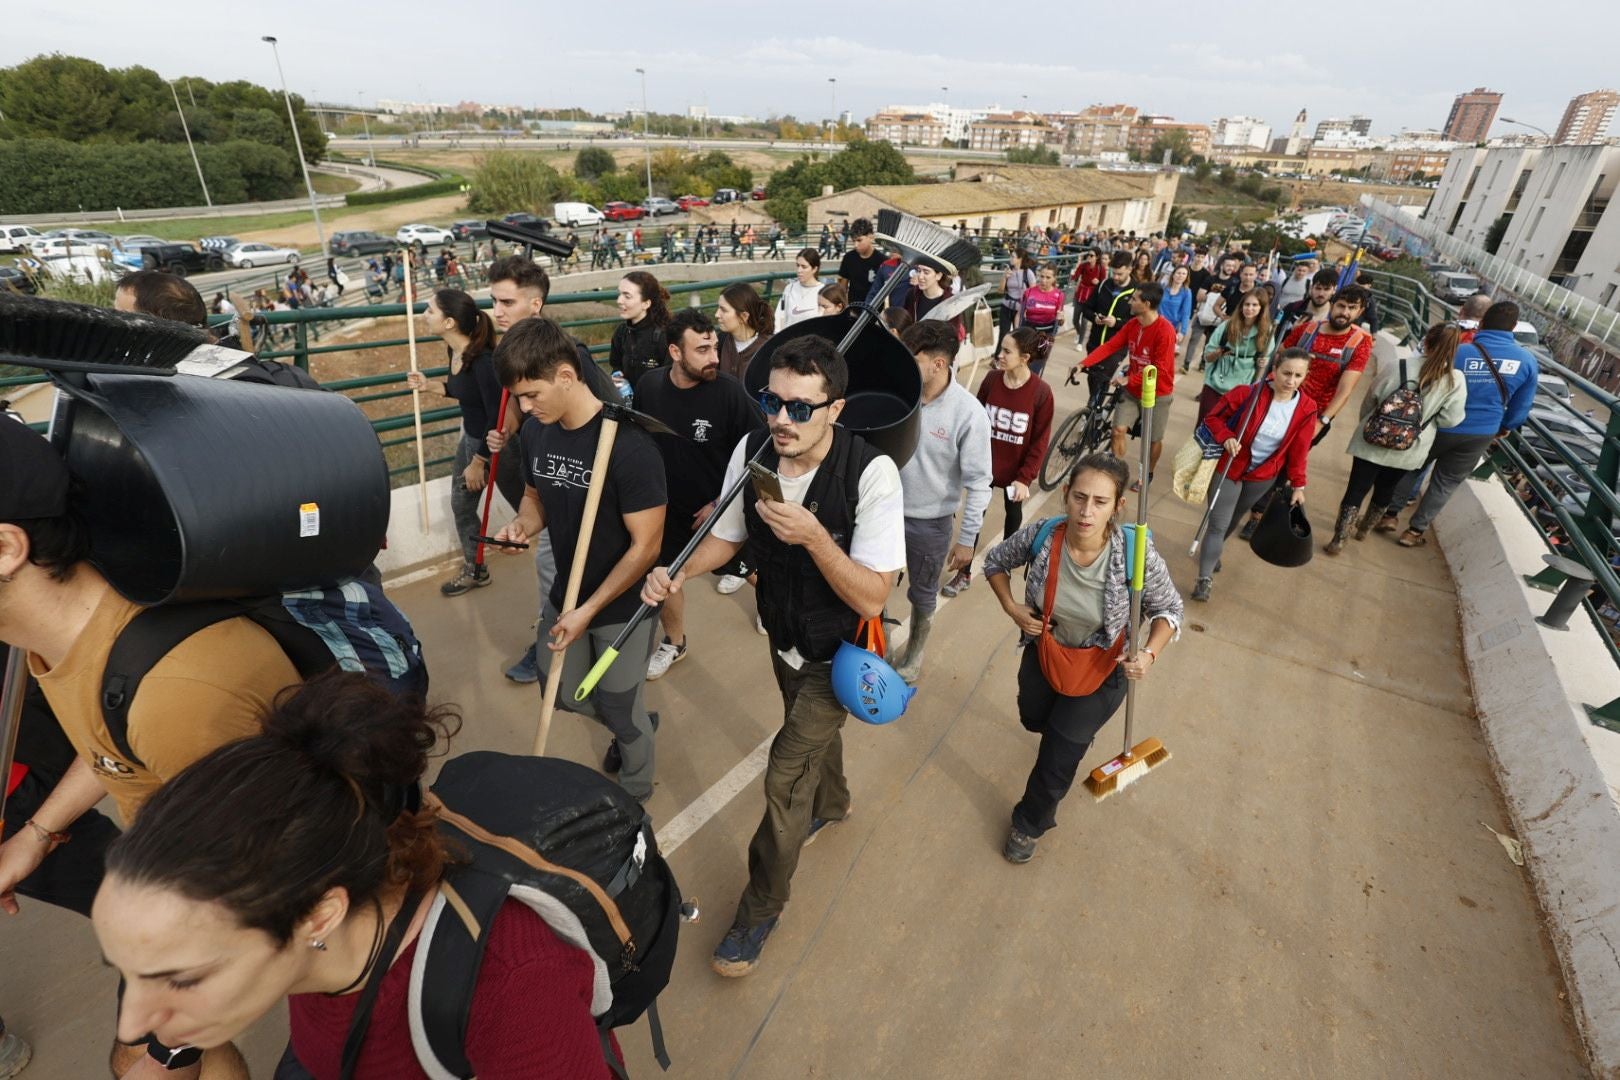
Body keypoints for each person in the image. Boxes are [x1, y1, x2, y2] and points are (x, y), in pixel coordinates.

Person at [92, 671, 625, 1079]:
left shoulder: (512, 986)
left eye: (185, 972)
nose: (133, 1025)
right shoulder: (307, 901)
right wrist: (171, 1050)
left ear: (319, 917)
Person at [0, 421, 298, 1080]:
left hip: (287, 932)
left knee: (138, 1058)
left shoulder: (178, 685)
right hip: (192, 880)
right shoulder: (59, 642)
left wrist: (170, 1046)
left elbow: (276, 886)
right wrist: (38, 833)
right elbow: (120, 745)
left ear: (5, 548)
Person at [639, 336, 904, 977]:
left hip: (840, 651)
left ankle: (759, 910)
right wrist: (675, 572)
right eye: (773, 402)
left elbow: (873, 597)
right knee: (811, 742)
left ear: (835, 410)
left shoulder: (872, 474)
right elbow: (726, 538)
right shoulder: (752, 451)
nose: (782, 419)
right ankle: (834, 802)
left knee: (786, 774)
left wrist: (815, 537)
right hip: (782, 638)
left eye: (801, 408)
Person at [492, 318, 666, 801]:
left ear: (566, 376)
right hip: (564, 594)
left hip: (621, 608)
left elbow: (646, 547)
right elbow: (535, 498)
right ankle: (632, 722)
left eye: (531, 395)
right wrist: (522, 526)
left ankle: (635, 789)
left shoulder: (631, 447)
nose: (524, 408)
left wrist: (588, 611)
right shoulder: (537, 434)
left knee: (618, 703)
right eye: (518, 399)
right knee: (562, 692)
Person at [982, 452, 1182, 864]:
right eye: (1079, 497)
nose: (1086, 511)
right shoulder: (1043, 536)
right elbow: (996, 561)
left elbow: (1169, 611)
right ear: (1066, 495)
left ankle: (1029, 823)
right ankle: (1062, 731)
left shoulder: (1134, 553)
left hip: (1105, 668)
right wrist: (1012, 607)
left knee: (1058, 755)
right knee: (1033, 718)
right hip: (1046, 653)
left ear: (1118, 506)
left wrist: (1147, 654)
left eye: (1100, 502)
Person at [485, 258, 619, 687]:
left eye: (508, 301)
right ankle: (555, 641)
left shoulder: (571, 357)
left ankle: (571, 647)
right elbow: (520, 419)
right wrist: (505, 433)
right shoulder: (512, 354)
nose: (498, 311)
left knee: (568, 572)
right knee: (551, 570)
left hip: (584, 491)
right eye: (493, 301)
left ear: (536, 304)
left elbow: (609, 417)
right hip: (547, 485)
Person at [633, 308, 765, 680]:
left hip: (721, 514)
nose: (713, 358)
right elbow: (640, 441)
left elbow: (759, 452)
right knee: (668, 574)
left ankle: (770, 608)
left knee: (750, 570)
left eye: (715, 347)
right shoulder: (648, 386)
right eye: (702, 350)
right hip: (667, 509)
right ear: (675, 353)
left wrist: (721, 503)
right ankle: (674, 642)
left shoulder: (729, 393)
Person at [1380, 301, 1538, 545]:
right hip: (1481, 432)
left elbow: (1429, 385)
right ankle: (1414, 532)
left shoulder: (1458, 352)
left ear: (1482, 323)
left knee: (1413, 467)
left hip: (1440, 424)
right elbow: (1521, 408)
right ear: (1514, 327)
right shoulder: (1527, 362)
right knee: (1446, 482)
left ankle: (1389, 516)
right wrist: (1504, 426)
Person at [893, 321, 992, 681]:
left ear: (938, 364)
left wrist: (967, 539)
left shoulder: (969, 414)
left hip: (930, 522)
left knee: (922, 594)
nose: (902, 365)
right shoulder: (898, 394)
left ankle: (914, 654)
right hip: (881, 512)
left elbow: (980, 482)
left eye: (911, 359)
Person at [405, 289, 517, 597]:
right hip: (471, 439)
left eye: (430, 311)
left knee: (528, 506)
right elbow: (461, 392)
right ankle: (476, 567)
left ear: (449, 322)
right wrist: (429, 386)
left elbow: (497, 416)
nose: (423, 316)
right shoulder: (455, 353)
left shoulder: (483, 362)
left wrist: (478, 461)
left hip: (494, 447)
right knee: (462, 504)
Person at [1323, 322, 1469, 555]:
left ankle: (1339, 538)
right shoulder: (1455, 380)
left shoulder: (1399, 365)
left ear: (1426, 342)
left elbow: (1371, 400)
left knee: (1357, 488)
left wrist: (1371, 425)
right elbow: (1450, 420)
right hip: (1410, 447)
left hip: (1371, 441)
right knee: (1387, 488)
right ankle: (1364, 529)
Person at [1189, 349, 1317, 601]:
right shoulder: (1247, 393)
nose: (1291, 380)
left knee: (1234, 518)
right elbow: (1213, 418)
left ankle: (1212, 552)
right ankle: (1204, 580)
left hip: (1262, 475)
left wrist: (1299, 485)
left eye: (1298, 375)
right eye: (1286, 373)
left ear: (1305, 376)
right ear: (1275, 369)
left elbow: (1299, 450)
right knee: (1218, 523)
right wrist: (1226, 437)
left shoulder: (1307, 408)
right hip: (1230, 467)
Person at [1078, 282, 1177, 489]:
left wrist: (1128, 379)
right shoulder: (1132, 325)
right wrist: (1083, 363)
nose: (1129, 302)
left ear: (1146, 304)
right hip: (1132, 392)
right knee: (1117, 430)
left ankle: (1146, 473)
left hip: (1157, 393)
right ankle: (1118, 473)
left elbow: (1160, 369)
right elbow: (1111, 346)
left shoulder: (1165, 331)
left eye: (1134, 299)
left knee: (1152, 439)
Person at [976, 327, 1055, 543]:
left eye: (1006, 351)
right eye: (1001, 349)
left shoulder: (1041, 392)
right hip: (984, 467)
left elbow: (1040, 442)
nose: (1000, 355)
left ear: (1025, 358)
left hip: (1015, 472)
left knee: (1012, 513)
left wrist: (1024, 478)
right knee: (975, 516)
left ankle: (1006, 562)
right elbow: (974, 421)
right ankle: (964, 572)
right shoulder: (992, 379)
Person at [1198, 290, 1274, 425]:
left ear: (1262, 308)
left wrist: (1263, 363)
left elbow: (1264, 365)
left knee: (1225, 429)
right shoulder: (1227, 326)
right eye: (1247, 304)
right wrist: (1218, 353)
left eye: (1255, 305)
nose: (1249, 309)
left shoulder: (1267, 332)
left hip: (1241, 390)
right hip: (1215, 385)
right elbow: (1207, 357)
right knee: (1204, 425)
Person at [1081, 253, 1137, 399]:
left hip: (1117, 346)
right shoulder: (1103, 284)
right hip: (1095, 341)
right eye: (1114, 273)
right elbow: (1086, 308)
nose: (1116, 277)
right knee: (1092, 377)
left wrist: (1116, 323)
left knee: (1102, 377)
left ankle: (1093, 410)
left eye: (1120, 274)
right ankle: (1095, 409)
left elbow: (1137, 322)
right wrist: (1095, 317)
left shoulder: (1136, 291)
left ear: (1130, 269)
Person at [608, 270, 672, 381]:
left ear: (646, 303)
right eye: (619, 294)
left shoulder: (664, 336)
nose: (619, 300)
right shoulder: (621, 332)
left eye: (627, 296)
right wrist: (617, 377)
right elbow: (616, 366)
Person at [716, 282, 775, 383]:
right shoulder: (721, 340)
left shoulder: (769, 350)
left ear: (744, 316)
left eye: (723, 310)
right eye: (718, 308)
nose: (717, 314)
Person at [1017, 265, 1065, 377]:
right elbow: (1020, 316)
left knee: (1035, 368)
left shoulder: (1059, 295)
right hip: (1028, 331)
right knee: (1022, 364)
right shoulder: (1029, 292)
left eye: (1048, 277)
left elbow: (1060, 322)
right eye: (1042, 276)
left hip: (1047, 334)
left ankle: (1029, 391)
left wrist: (1061, 319)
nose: (1043, 280)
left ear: (1054, 278)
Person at [1274, 267, 1338, 342]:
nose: (1321, 294)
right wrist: (1292, 331)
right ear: (1311, 288)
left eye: (1326, 289)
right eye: (1318, 288)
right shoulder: (1292, 308)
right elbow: (1275, 339)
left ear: (1334, 290)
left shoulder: (1336, 316)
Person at [836, 218, 885, 308]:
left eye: (859, 240)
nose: (855, 245)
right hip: (853, 311)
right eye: (853, 241)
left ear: (870, 237)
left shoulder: (882, 260)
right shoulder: (848, 258)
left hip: (875, 312)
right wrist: (845, 309)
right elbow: (843, 287)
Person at [776, 249, 824, 329]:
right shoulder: (789, 288)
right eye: (798, 266)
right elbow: (780, 315)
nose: (799, 270)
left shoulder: (824, 291)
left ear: (814, 269)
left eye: (804, 267)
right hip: (788, 339)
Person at [998, 249, 1036, 345]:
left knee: (1018, 335)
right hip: (1006, 307)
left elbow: (1034, 293)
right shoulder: (1008, 271)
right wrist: (1004, 277)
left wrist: (1027, 309)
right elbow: (1000, 291)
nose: (1010, 258)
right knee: (1003, 334)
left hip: (1020, 309)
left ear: (1020, 259)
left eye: (1013, 256)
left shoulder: (1028, 273)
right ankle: (998, 357)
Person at [1070, 248, 1105, 349]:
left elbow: (1103, 284)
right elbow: (1075, 277)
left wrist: (1098, 283)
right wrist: (1075, 272)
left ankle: (1080, 343)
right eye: (1088, 255)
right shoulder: (1083, 265)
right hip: (1080, 295)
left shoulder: (1100, 268)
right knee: (1075, 320)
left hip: (1091, 298)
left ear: (1097, 257)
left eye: (1091, 255)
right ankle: (1079, 333)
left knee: (1085, 320)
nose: (1089, 257)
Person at [1160, 264, 1193, 352]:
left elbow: (1186, 313)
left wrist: (1182, 332)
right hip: (1158, 323)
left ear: (1186, 277)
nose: (1180, 276)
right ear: (1173, 274)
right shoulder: (1163, 287)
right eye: (1178, 273)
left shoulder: (1187, 292)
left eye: (1184, 274)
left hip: (1172, 327)